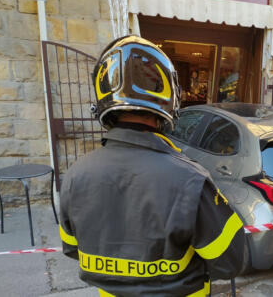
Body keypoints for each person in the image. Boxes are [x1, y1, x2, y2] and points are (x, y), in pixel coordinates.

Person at [59, 35, 245, 297]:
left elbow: (71, 249)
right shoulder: (190, 180)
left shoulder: (74, 176)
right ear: (169, 100)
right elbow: (231, 262)